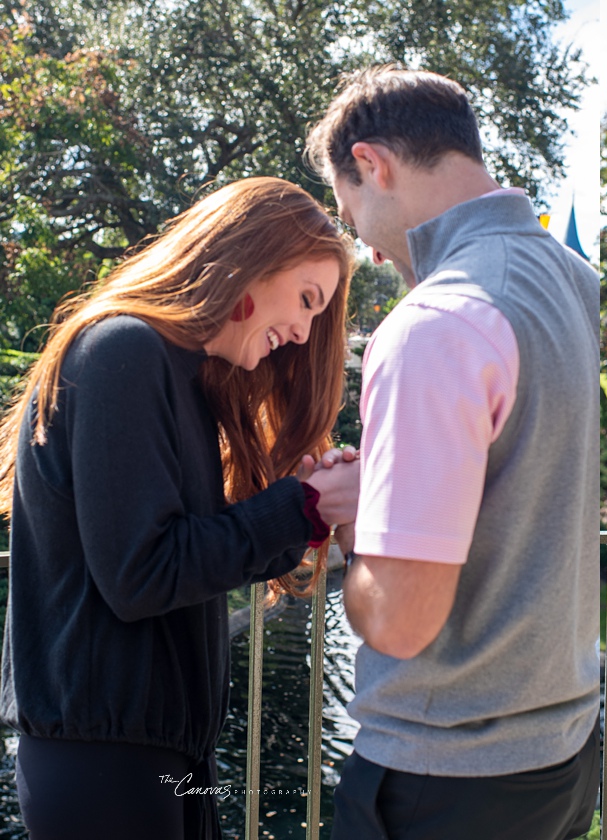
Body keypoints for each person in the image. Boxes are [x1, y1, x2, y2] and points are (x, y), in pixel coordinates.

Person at [0, 176, 362, 840]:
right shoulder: (123, 351)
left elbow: (187, 552)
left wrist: (299, 506)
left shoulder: (176, 375)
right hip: (104, 763)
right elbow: (142, 574)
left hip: (152, 757)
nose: (307, 331)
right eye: (307, 300)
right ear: (250, 259)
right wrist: (299, 508)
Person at [304, 67, 601, 840]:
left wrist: (353, 522)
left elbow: (400, 622)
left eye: (350, 213)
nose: (365, 251)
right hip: (561, 763)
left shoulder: (435, 321)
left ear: (373, 165)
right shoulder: (571, 281)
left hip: (446, 779)